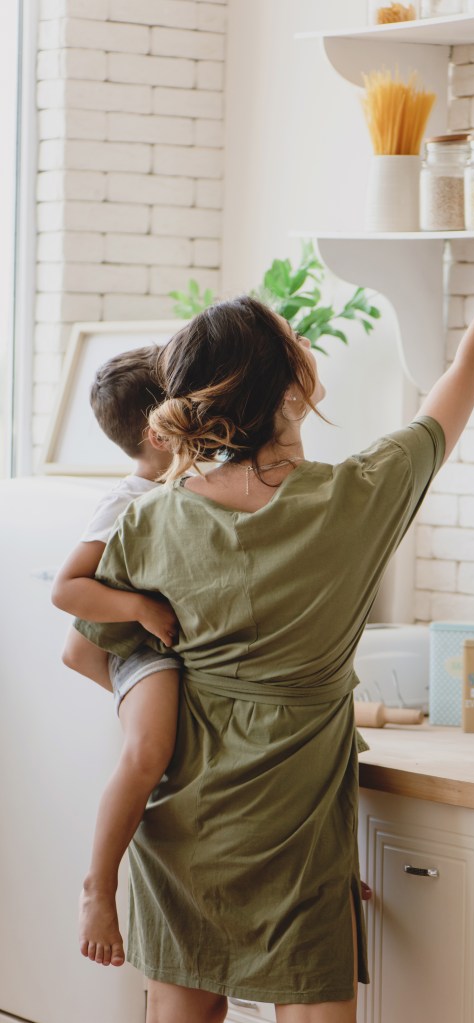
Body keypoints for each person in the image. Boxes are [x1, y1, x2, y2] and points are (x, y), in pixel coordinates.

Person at [69, 163, 474, 1023]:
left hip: (185, 834)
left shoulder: (150, 523)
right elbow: (473, 363)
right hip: (299, 850)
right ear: (291, 385)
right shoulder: (358, 497)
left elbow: (84, 648)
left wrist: (191, 699)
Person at [51, 346, 181, 969]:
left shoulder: (178, 486)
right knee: (149, 750)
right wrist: (140, 611)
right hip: (139, 648)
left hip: (148, 651)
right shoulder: (127, 501)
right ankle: (98, 886)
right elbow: (66, 588)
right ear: (160, 430)